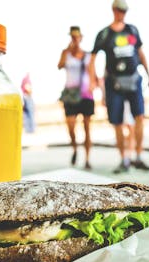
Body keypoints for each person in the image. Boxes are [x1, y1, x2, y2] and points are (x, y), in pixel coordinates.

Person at [88, 0, 149, 173]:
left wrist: (148, 74)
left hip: (133, 80)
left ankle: (138, 156)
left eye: (124, 10)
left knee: (140, 117)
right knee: (117, 122)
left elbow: (140, 53)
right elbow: (92, 58)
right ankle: (124, 159)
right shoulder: (104, 34)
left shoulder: (132, 30)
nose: (122, 13)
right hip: (114, 83)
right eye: (119, 10)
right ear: (113, 10)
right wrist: (93, 80)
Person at [57, 26, 95, 169]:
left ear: (81, 37)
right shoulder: (65, 53)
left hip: (86, 94)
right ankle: (74, 148)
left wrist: (94, 86)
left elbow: (92, 72)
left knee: (87, 128)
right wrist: (68, 49)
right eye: (72, 37)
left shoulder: (88, 55)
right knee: (71, 126)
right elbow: (59, 66)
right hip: (70, 94)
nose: (75, 39)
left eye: (77, 37)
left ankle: (87, 159)